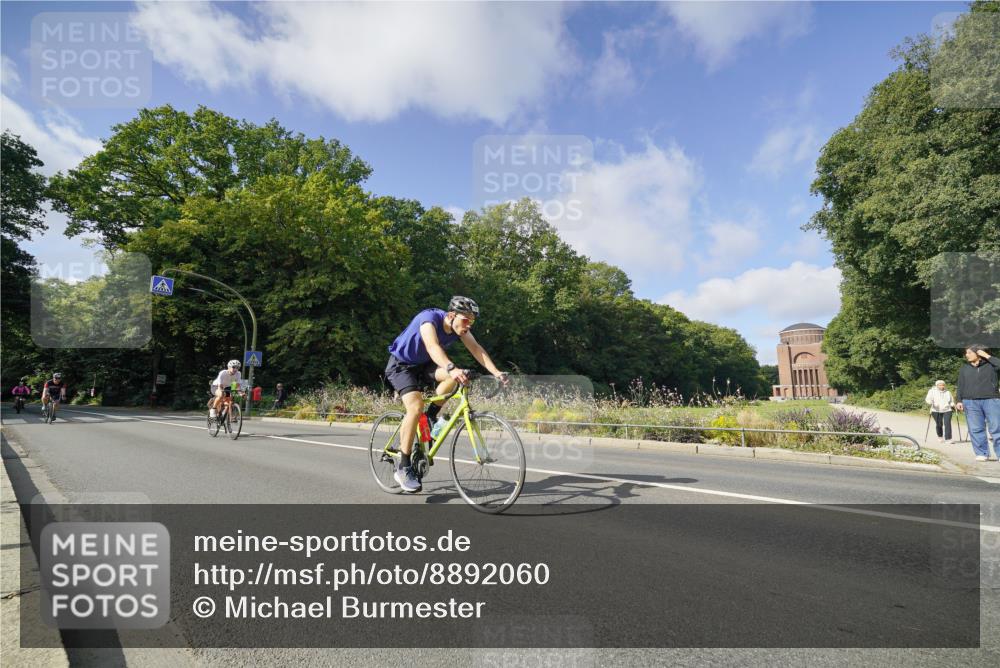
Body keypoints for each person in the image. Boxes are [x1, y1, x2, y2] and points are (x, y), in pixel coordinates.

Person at [385, 296, 509, 493]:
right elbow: (433, 347)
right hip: (402, 366)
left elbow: (476, 349)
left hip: (424, 366)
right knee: (415, 407)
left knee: (454, 378)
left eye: (473, 320)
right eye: (466, 319)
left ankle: (431, 416)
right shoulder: (429, 319)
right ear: (451, 315)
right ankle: (404, 465)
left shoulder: (460, 328)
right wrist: (451, 367)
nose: (469, 325)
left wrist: (496, 372)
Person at [955, 345, 1000, 462]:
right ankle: (982, 453)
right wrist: (959, 400)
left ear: (978, 353)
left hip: (991, 400)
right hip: (970, 401)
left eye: (969, 353)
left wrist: (986, 355)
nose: (967, 355)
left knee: (996, 428)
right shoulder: (964, 368)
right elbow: (960, 385)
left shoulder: (991, 365)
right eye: (966, 353)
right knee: (975, 429)